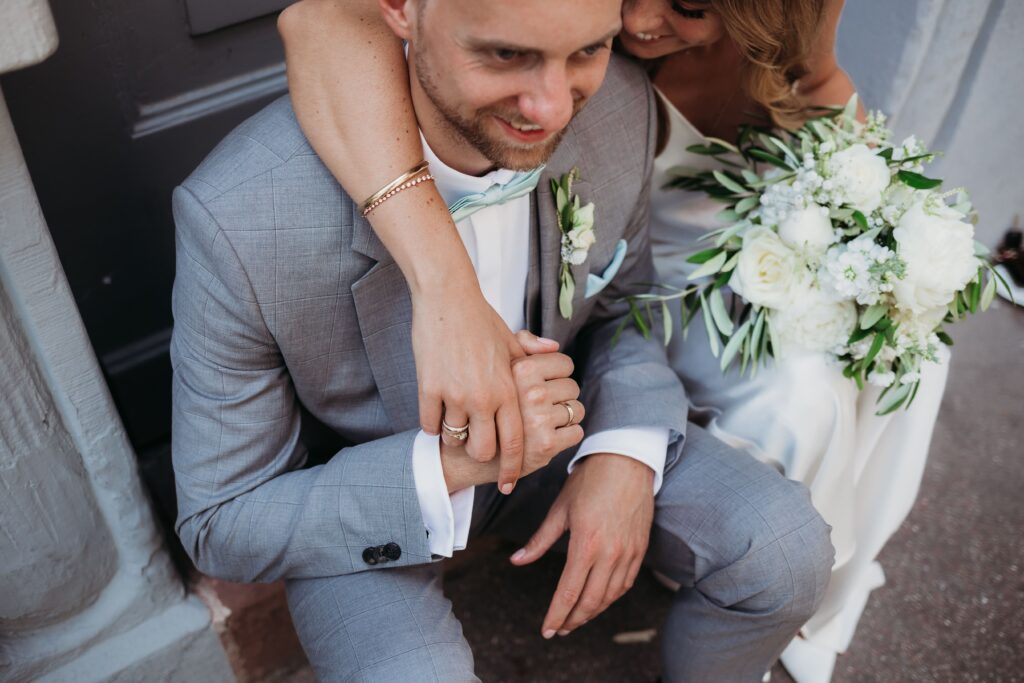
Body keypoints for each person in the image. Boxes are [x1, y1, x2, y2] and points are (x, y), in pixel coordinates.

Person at [277, 0, 951, 680]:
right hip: (431, 415)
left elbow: (812, 80)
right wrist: (444, 287)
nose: (642, 20)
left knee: (868, 382)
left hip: (651, 260)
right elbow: (319, 23)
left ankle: (722, 562)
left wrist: (882, 227)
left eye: (689, 9)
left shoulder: (764, 35)